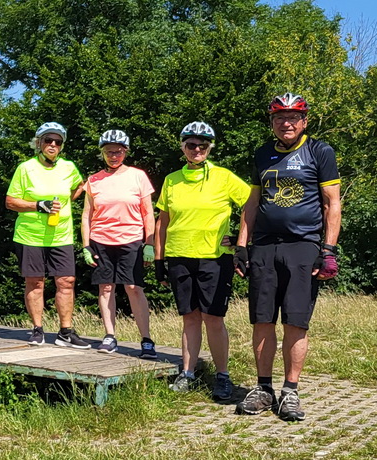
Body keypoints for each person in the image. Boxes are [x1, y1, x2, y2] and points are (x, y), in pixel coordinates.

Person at [234, 94, 342, 422]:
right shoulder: (262, 154)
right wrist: (241, 246)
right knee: (263, 319)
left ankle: (290, 392)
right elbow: (252, 204)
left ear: (304, 121)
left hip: (303, 245)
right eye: (280, 117)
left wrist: (329, 250)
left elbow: (331, 203)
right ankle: (263, 389)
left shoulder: (319, 151)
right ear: (272, 122)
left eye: (294, 117)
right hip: (265, 246)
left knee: (296, 320)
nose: (287, 123)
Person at [153, 122, 252, 399]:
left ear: (210, 148)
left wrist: (241, 241)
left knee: (214, 318)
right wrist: (158, 258)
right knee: (189, 318)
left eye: (203, 145)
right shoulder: (172, 179)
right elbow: (163, 221)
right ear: (182, 146)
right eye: (191, 145)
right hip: (179, 256)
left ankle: (222, 376)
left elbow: (251, 203)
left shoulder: (223, 177)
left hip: (214, 259)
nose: (197, 150)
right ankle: (188, 374)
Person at [5, 122, 89, 347]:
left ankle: (65, 331)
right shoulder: (26, 168)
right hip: (30, 235)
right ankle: (37, 329)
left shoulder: (69, 167)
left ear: (61, 146)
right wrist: (37, 205)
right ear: (39, 143)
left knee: (66, 282)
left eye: (57, 142)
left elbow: (79, 186)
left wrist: (66, 203)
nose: (52, 145)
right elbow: (10, 201)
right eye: (48, 140)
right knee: (35, 283)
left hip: (61, 235)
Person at [80, 130, 156, 357]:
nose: (114, 155)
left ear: (126, 152)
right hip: (101, 240)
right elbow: (86, 215)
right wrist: (85, 245)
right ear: (103, 153)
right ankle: (110, 336)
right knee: (105, 288)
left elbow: (148, 213)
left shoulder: (138, 176)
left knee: (133, 288)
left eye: (118, 151)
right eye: (109, 151)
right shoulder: (94, 180)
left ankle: (146, 340)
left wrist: (149, 243)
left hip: (131, 239)